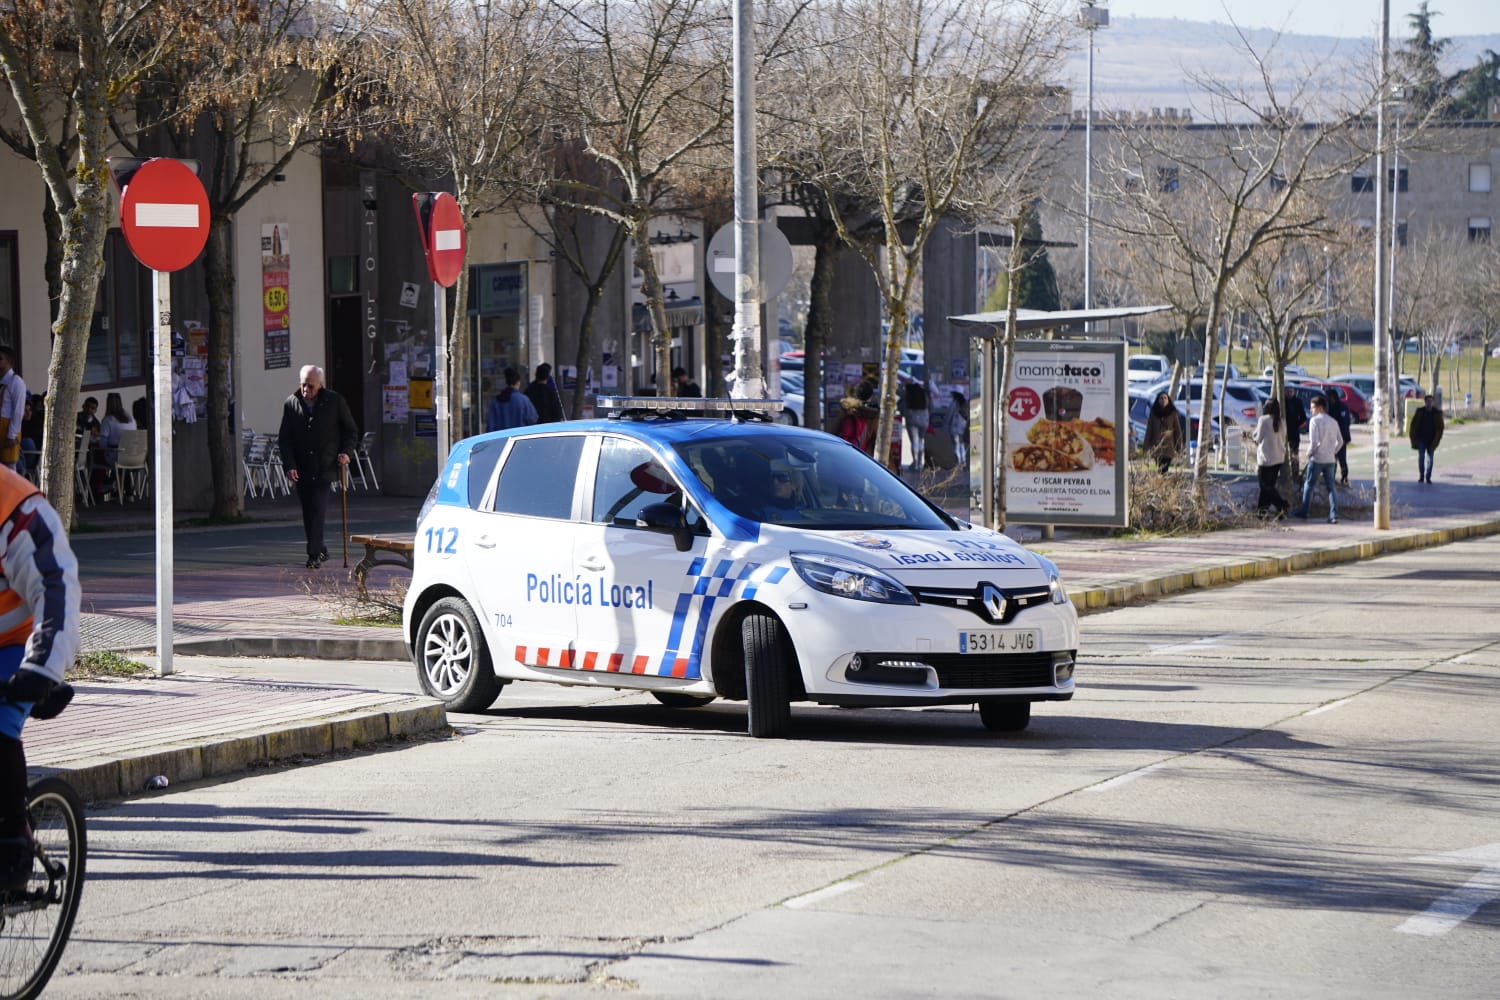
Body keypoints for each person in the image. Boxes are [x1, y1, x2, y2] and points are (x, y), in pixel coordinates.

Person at [0, 461, 82, 892]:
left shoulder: (14, 507)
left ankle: (13, 843)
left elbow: (56, 587)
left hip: (13, 643)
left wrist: (42, 669)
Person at [278, 364, 359, 569]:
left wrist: (346, 453)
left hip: (325, 465)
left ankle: (313, 555)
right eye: (304, 385)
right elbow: (285, 439)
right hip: (302, 467)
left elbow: (350, 431)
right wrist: (289, 465)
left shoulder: (334, 401)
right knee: (308, 511)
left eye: (311, 386)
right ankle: (320, 548)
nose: (307, 390)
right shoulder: (291, 403)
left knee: (318, 509)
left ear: (320, 384)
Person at [1293, 395, 1341, 524]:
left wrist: (1309, 454)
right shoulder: (1333, 421)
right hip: (1330, 459)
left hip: (1317, 458)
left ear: (1320, 407)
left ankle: (1304, 511)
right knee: (1331, 487)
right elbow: (1340, 442)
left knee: (1309, 484)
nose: (1311, 410)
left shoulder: (1315, 421)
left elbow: (1314, 442)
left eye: (1313, 407)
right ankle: (1333, 514)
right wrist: (1333, 451)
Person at [1251, 397, 1289, 518]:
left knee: (1264, 486)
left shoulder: (1263, 420)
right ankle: (1262, 512)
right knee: (1269, 486)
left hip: (1266, 458)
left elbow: (1258, 438)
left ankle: (1282, 504)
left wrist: (1252, 434)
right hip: (1279, 457)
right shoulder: (1282, 421)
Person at [95, 392, 137, 499]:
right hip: (135, 456)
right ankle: (121, 488)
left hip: (116, 456)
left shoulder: (108, 420)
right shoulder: (131, 419)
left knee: (95, 456)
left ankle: (100, 487)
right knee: (121, 459)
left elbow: (103, 444)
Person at [1142, 391, 1184, 474]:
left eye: (1165, 398)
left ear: (1168, 400)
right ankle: (1162, 482)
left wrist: (1179, 446)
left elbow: (1177, 430)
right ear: (1158, 400)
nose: (1163, 400)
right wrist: (1146, 447)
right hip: (1157, 446)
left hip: (1169, 447)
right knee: (1160, 467)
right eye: (1161, 398)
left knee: (1164, 467)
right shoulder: (1153, 413)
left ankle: (1162, 481)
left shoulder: (1173, 413)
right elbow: (1149, 430)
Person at [486, 367, 538, 432]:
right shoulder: (524, 400)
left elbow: (490, 426)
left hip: (500, 440)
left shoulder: (496, 401)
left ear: (506, 382)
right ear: (518, 382)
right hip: (519, 438)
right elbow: (533, 420)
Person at [1407, 393, 1444, 483]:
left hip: (1432, 440)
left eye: (1431, 401)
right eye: (1427, 401)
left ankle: (1428, 477)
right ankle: (1421, 476)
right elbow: (1413, 425)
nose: (1429, 403)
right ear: (1425, 402)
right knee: (1421, 457)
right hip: (1421, 439)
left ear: (1433, 402)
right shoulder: (1420, 412)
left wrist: (1436, 440)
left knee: (1430, 460)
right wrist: (1413, 438)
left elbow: (1440, 428)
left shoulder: (1437, 413)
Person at [0, 347, 25, 473]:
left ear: (9, 361)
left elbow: (18, 411)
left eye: (0, 359)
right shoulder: (1, 382)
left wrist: (12, 434)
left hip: (8, 427)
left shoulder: (16, 381)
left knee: (9, 468)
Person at [898, 379, 931, 471]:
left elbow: (898, 391)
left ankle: (915, 462)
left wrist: (903, 384)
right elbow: (929, 405)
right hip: (924, 419)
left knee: (914, 441)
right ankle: (920, 461)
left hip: (911, 418)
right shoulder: (923, 394)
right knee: (921, 440)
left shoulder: (907, 394)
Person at [1324, 388, 1352, 486]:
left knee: (1342, 458)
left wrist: (1343, 437)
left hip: (1341, 437)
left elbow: (1345, 423)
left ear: (1333, 397)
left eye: (1329, 397)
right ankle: (1332, 478)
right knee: (1332, 459)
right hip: (1331, 438)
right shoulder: (1327, 408)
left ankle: (1344, 478)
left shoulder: (1342, 407)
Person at [1282, 389, 1306, 481]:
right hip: (1283, 429)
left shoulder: (1298, 402)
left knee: (1294, 453)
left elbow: (1303, 417)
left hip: (1294, 430)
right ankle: (1284, 472)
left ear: (1294, 392)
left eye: (1291, 391)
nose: (1289, 393)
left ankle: (1295, 474)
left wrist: (1296, 424)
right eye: (1287, 391)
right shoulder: (1282, 401)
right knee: (1282, 452)